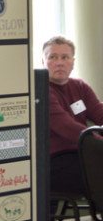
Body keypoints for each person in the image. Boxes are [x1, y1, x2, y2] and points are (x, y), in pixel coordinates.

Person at [44, 35, 103, 195]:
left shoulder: (80, 86)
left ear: (73, 62)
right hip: (57, 160)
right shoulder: (41, 90)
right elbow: (67, 128)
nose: (59, 62)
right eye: (53, 57)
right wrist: (99, 142)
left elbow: (99, 112)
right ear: (43, 62)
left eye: (65, 57)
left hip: (84, 154)